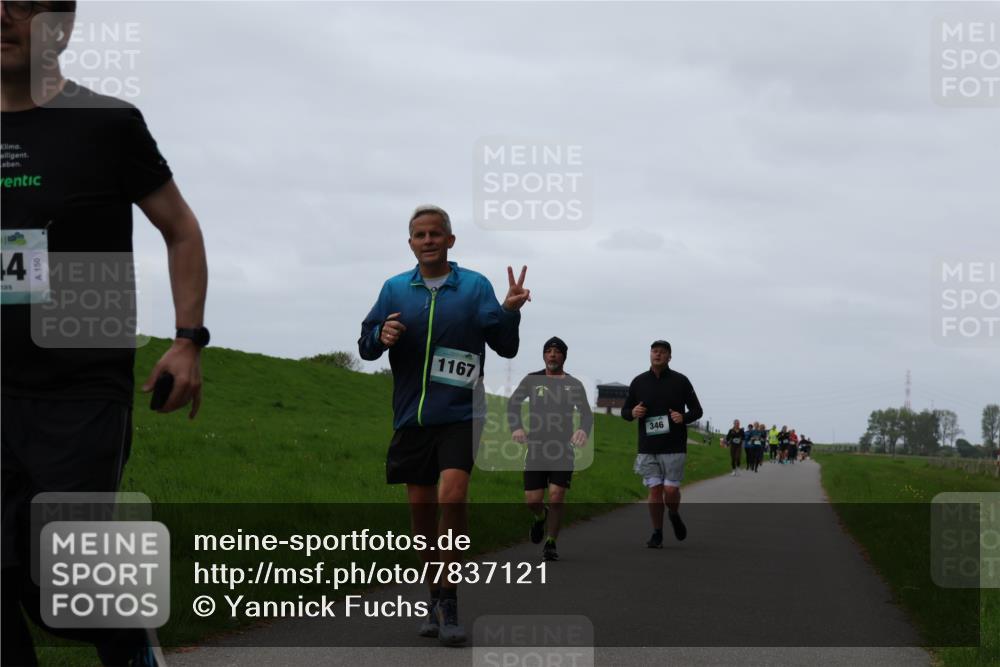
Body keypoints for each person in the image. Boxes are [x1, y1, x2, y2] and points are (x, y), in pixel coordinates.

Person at [2, 4, 209, 665]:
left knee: (60, 582)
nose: (2, 15)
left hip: (79, 386)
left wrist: (188, 338)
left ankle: (133, 647)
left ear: (60, 26)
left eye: (22, 3)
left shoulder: (105, 124)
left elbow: (180, 228)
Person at [358, 204, 529, 646]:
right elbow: (366, 344)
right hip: (412, 417)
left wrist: (509, 311)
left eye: (436, 233)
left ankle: (450, 602)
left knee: (452, 498)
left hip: (462, 414)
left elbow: (505, 346)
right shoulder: (395, 289)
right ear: (410, 243)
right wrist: (380, 336)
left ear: (450, 240)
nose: (428, 240)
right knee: (422, 516)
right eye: (420, 235)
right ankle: (433, 597)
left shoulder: (474, 286)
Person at [507, 337, 592, 561]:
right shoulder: (532, 379)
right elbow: (513, 404)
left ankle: (551, 543)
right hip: (536, 447)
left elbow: (586, 413)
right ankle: (539, 517)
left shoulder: (574, 384)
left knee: (556, 496)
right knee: (532, 500)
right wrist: (516, 427)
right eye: (548, 351)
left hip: (562, 448)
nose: (552, 354)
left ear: (564, 356)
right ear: (544, 355)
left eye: (557, 351)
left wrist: (582, 430)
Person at [621, 340, 703, 548]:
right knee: (655, 490)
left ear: (669, 357)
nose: (657, 355)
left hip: (674, 445)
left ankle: (673, 513)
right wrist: (633, 412)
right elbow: (625, 412)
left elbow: (697, 410)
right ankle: (657, 533)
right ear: (650, 354)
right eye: (654, 351)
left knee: (671, 490)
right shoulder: (639, 382)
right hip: (648, 446)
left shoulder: (680, 381)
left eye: (662, 352)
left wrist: (683, 417)